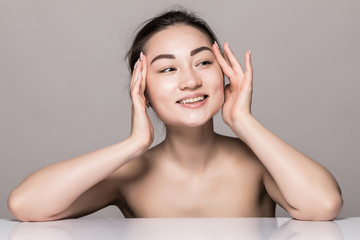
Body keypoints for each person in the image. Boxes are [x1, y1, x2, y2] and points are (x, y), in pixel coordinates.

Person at [8, 8, 342, 221]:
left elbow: (323, 205)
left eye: (203, 62)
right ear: (143, 90)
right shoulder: (130, 174)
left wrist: (243, 121)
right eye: (168, 69)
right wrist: (134, 144)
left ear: (225, 75)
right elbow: (26, 206)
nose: (191, 81)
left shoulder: (257, 163)